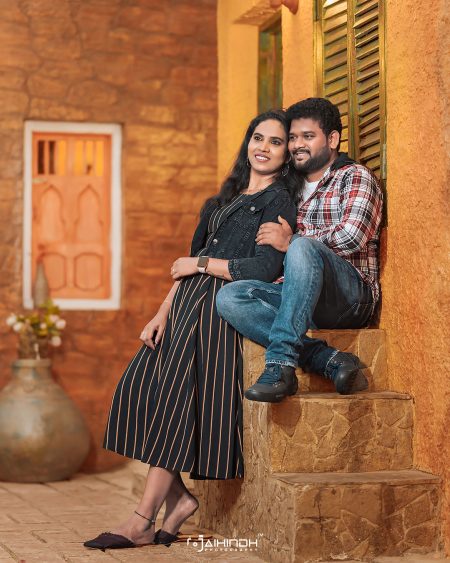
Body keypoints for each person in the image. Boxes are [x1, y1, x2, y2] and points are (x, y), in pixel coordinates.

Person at [83, 110, 299, 550]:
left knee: (176, 406)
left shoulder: (278, 202)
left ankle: (142, 520)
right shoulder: (218, 203)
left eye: (275, 142)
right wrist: (162, 311)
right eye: (258, 137)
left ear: (285, 155)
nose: (263, 147)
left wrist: (202, 264)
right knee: (141, 393)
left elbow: (262, 268)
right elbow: (185, 269)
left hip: (217, 312)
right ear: (248, 142)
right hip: (184, 307)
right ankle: (179, 498)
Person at [216, 98, 383, 403]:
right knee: (230, 297)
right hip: (303, 298)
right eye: (293, 137)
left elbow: (352, 236)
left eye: (308, 136)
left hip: (349, 299)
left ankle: (280, 366)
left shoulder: (354, 176)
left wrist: (291, 241)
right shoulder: (290, 188)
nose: (297, 145)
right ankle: (327, 360)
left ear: (332, 139)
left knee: (303, 245)